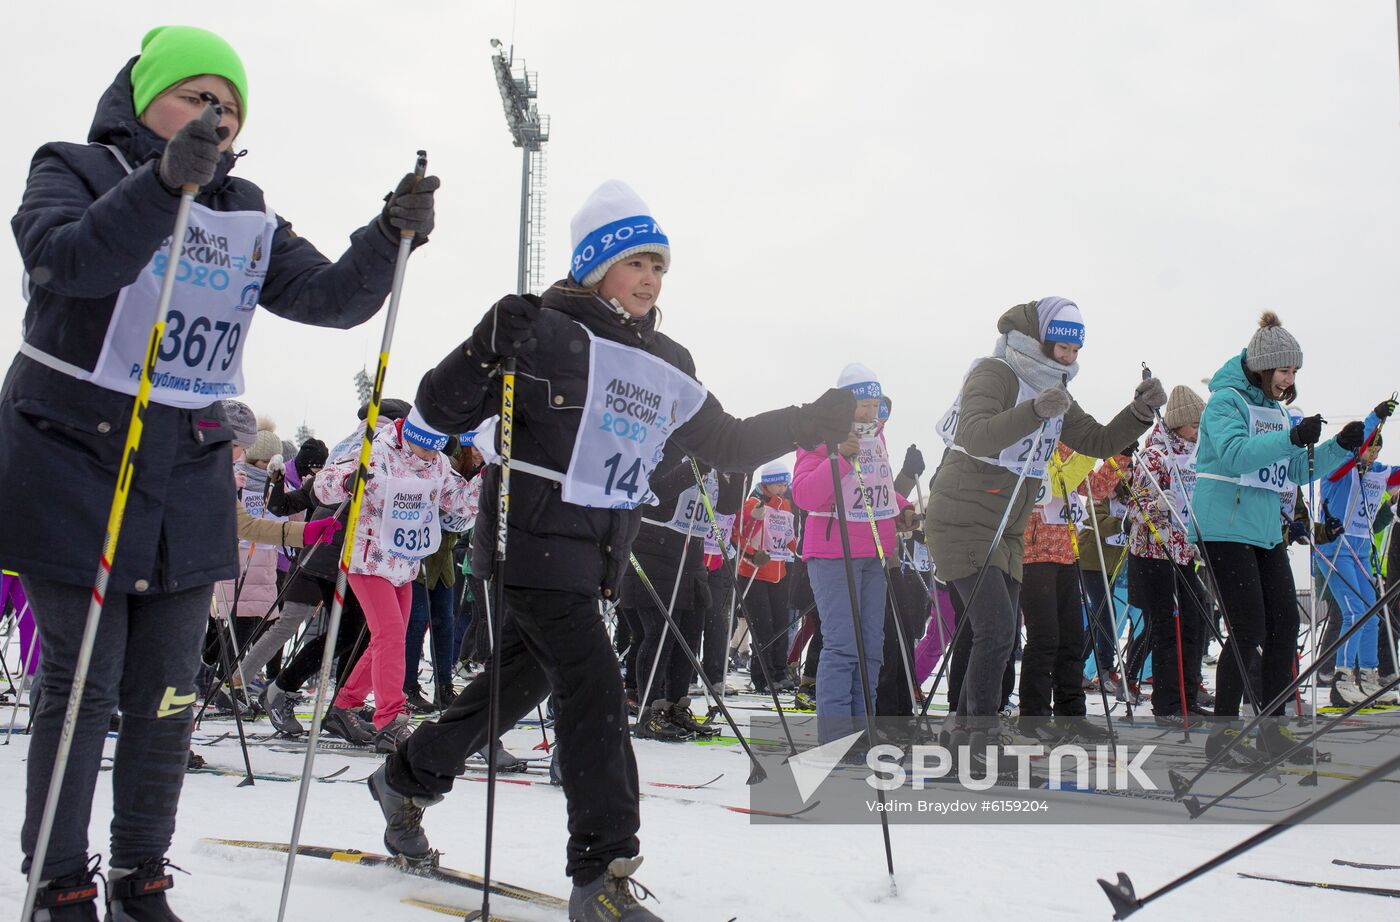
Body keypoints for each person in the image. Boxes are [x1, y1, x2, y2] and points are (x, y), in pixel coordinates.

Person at [2, 25, 437, 920]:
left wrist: (387, 236)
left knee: (168, 688)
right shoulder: (72, 168)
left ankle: (141, 873)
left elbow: (329, 298)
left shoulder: (246, 207)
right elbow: (67, 261)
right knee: (83, 686)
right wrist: (163, 186)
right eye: (196, 98)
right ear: (143, 99)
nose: (215, 117)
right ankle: (59, 880)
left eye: (229, 107)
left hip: (186, 468)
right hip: (77, 456)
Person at [366, 179, 852, 921]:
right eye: (636, 263)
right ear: (597, 266)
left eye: (659, 265)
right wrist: (481, 346)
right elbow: (439, 410)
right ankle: (603, 875)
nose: (651, 279)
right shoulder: (542, 328)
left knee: (509, 689)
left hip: (595, 559)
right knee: (593, 689)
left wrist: (805, 421)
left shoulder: (668, 359)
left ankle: (405, 780)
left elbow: (724, 441)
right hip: (528, 545)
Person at [925, 298, 1160, 755]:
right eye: (1061, 348)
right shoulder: (996, 372)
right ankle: (979, 734)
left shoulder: (1052, 387)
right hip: (963, 515)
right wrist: (1034, 412)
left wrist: (1138, 413)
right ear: (1040, 340)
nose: (1069, 359)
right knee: (995, 628)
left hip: (1007, 525)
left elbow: (1094, 440)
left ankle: (966, 726)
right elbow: (973, 433)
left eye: (1076, 351)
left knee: (1000, 632)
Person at [1193, 312, 1364, 761]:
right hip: (1224, 528)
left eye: (1294, 373)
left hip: (1266, 530)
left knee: (1286, 624)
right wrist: (1290, 437)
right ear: (1264, 367)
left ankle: (1271, 730)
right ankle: (1223, 735)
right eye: (1284, 371)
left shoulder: (1274, 409)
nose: (1289, 381)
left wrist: (1337, 447)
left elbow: (1291, 470)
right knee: (1247, 628)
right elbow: (1233, 456)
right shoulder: (1224, 402)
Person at [314, 407, 475, 751]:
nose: (431, 457)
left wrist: (488, 480)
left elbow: (458, 500)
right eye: (426, 449)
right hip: (368, 559)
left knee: (392, 636)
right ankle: (389, 718)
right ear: (411, 439)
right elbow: (323, 485)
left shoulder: (438, 463)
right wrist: (347, 480)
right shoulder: (377, 449)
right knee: (389, 635)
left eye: (437, 450)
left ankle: (344, 704)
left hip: (405, 563)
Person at [792, 363, 912, 743]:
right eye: (861, 404)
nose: (868, 412)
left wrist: (903, 506)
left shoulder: (877, 438)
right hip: (831, 551)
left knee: (871, 647)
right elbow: (805, 495)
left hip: (874, 550)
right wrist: (838, 458)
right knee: (843, 645)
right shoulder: (818, 436)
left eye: (874, 404)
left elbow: (874, 485)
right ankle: (835, 736)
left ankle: (864, 732)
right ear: (843, 403)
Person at [1017, 443, 1118, 741]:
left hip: (1065, 554)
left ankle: (1071, 714)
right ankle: (1033, 715)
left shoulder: (1071, 449)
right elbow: (1060, 481)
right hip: (1033, 555)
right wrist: (1087, 452)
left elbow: (1096, 489)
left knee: (1072, 638)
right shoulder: (1033, 444)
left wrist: (1118, 457)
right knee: (1044, 637)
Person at [1126, 386, 1214, 720]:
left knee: (1195, 623)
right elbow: (1136, 509)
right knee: (1168, 627)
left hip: (1186, 552)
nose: (1197, 431)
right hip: (1155, 553)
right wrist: (1158, 504)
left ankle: (1188, 695)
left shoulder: (1197, 454)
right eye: (1193, 425)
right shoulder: (1155, 455)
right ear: (1177, 423)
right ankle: (1168, 702)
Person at [1315, 400, 1400, 706]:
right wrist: (1375, 418)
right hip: (1336, 547)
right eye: (1369, 448)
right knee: (1352, 612)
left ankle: (1368, 675)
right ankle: (1341, 677)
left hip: (1362, 550)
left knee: (1371, 614)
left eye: (1377, 450)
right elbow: (1360, 441)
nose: (1373, 454)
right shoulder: (1338, 468)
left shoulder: (1377, 472)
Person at [736, 460, 799, 696]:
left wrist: (801, 550)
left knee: (781, 624)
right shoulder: (754, 503)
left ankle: (780, 672)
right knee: (764, 626)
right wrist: (753, 555)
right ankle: (762, 676)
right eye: (780, 484)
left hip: (779, 571)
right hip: (754, 573)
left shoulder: (786, 506)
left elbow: (789, 536)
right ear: (768, 483)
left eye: (786, 484)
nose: (783, 488)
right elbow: (739, 535)